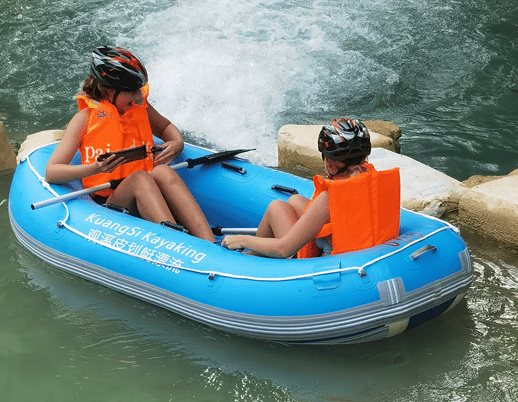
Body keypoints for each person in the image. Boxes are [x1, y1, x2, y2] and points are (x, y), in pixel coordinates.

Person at [45, 46, 215, 242]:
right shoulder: (84, 119)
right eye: (132, 91)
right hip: (111, 199)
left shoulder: (140, 107)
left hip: (149, 191)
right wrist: (95, 168)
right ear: (108, 91)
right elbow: (52, 172)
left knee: (162, 171)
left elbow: (165, 127)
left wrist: (177, 142)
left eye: (139, 90)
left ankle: (209, 243)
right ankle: (179, 244)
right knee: (140, 179)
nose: (139, 96)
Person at [221, 118, 400, 258]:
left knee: (276, 208)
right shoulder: (371, 183)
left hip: (321, 264)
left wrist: (242, 239)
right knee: (295, 200)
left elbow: (284, 249)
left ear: (330, 164)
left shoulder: (328, 200)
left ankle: (250, 257)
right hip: (357, 252)